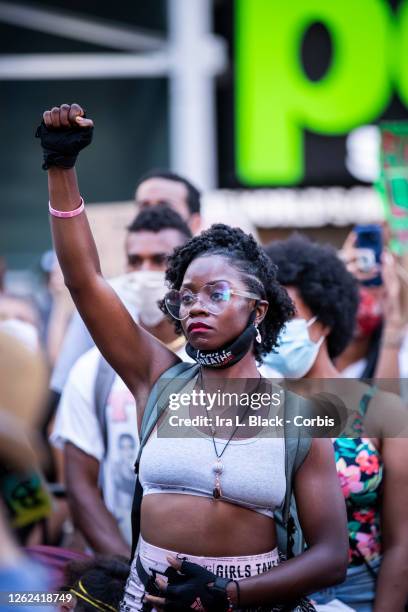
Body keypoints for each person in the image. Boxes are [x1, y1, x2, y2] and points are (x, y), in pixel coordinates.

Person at [36, 102, 348, 611]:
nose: (196, 305)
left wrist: (227, 595)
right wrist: (60, 167)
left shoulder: (300, 418)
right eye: (186, 295)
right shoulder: (155, 379)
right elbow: (84, 280)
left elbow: (333, 555)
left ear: (259, 308)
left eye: (216, 293)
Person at [265, 234, 408, 612]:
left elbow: (402, 543)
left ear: (324, 320)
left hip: (361, 591)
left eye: (288, 315)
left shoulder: (382, 410)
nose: (274, 329)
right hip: (274, 591)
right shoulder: (253, 406)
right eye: (267, 315)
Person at [51, 206, 193, 556]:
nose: (145, 273)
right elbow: (80, 486)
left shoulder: (219, 366)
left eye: (160, 260)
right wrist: (124, 573)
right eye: (135, 261)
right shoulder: (92, 370)